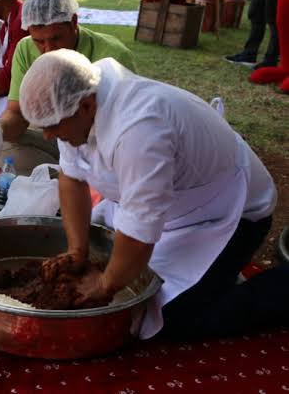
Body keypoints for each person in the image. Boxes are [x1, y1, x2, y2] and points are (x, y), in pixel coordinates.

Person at [19, 48, 286, 340]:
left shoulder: (141, 130)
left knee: (173, 317)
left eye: (53, 127)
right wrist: (77, 250)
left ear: (86, 106)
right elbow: (71, 178)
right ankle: (212, 277)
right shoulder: (73, 95)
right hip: (167, 204)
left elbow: (139, 232)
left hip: (229, 212)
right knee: (117, 267)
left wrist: (105, 285)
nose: (47, 136)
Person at [0, 0, 135, 176]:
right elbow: (17, 113)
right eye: (39, 41)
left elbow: (122, 132)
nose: (48, 49)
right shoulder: (25, 48)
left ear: (74, 22)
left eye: (56, 38)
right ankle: (67, 176)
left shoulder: (114, 56)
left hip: (99, 144)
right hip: (60, 139)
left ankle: (72, 178)